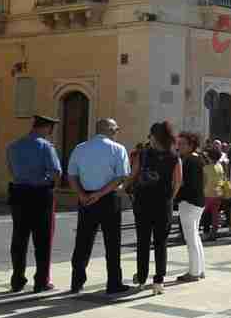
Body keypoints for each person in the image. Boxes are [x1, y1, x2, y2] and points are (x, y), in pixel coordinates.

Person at [68, 118, 131, 295]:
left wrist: (81, 194)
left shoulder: (80, 148)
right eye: (116, 129)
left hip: (86, 198)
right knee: (112, 243)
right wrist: (100, 193)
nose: (117, 132)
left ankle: (76, 282)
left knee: (83, 241)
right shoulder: (118, 149)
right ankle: (113, 283)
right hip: (108, 199)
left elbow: (72, 175)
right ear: (110, 130)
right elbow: (120, 177)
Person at [6, 115, 62, 293]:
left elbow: (11, 170)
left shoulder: (13, 146)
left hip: (18, 193)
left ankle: (17, 280)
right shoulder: (46, 146)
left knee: (19, 238)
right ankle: (41, 281)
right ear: (47, 128)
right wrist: (47, 181)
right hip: (40, 194)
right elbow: (56, 172)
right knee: (43, 240)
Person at [128, 121, 180, 295]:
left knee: (143, 241)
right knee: (160, 242)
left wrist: (126, 188)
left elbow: (133, 175)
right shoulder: (174, 156)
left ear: (154, 136)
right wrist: (169, 198)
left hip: (143, 202)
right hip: (163, 203)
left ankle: (142, 279)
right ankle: (159, 281)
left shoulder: (142, 155)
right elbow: (177, 182)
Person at [175, 132, 206, 282]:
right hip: (197, 201)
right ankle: (199, 269)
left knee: (191, 237)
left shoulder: (188, 160)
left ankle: (194, 272)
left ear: (190, 145)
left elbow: (183, 183)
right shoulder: (197, 159)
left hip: (188, 202)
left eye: (182, 144)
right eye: (178, 143)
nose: (178, 146)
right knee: (195, 236)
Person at [202, 148, 224, 241]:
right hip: (218, 193)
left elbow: (203, 181)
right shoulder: (220, 166)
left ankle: (206, 232)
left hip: (207, 193)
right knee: (215, 214)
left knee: (204, 213)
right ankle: (214, 233)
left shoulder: (206, 168)